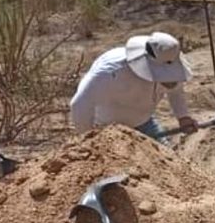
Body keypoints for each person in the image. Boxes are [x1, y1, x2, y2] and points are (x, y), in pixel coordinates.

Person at [70, 32, 198, 143]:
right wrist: (87, 138)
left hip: (144, 123)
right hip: (107, 130)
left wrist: (183, 117)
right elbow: (79, 104)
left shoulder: (169, 62)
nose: (170, 80)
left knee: (168, 164)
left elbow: (175, 91)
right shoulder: (111, 72)